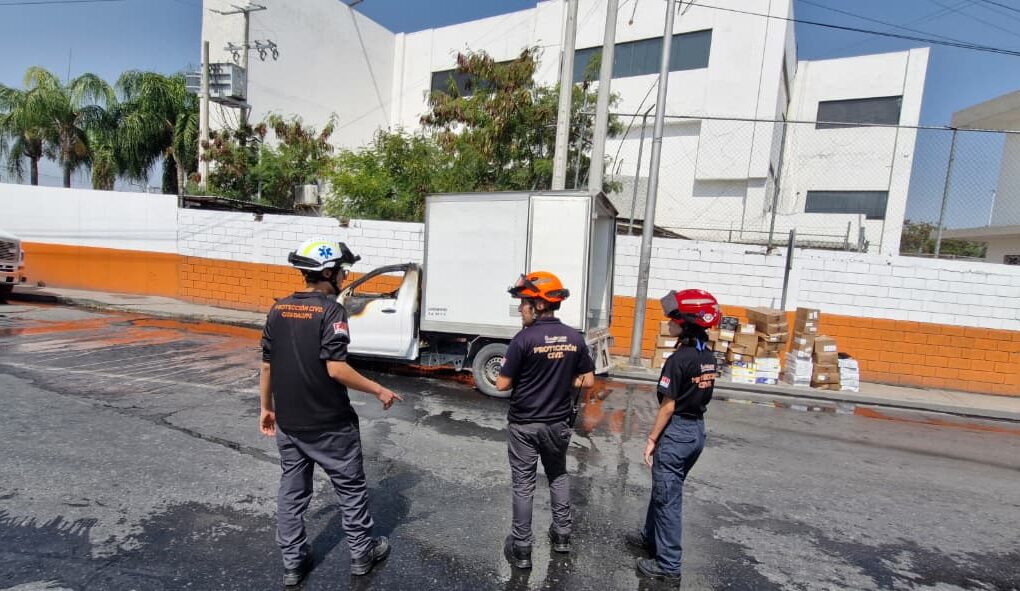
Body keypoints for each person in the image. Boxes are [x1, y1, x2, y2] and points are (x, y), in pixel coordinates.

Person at [259, 238, 402, 587]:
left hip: (290, 423)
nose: (343, 276)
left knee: (292, 493)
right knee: (350, 489)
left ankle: (293, 563)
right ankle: (361, 554)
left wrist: (266, 408)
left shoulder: (278, 309)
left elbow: (266, 367)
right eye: (341, 270)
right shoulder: (331, 310)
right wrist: (379, 389)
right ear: (327, 272)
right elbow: (336, 369)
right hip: (330, 424)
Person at [496, 271, 596, 569]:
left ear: (538, 305)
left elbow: (501, 385)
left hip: (525, 425)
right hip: (558, 424)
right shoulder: (574, 337)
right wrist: (562, 381)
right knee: (558, 475)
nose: (520, 308)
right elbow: (587, 381)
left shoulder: (523, 339)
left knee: (524, 485)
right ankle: (562, 535)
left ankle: (523, 548)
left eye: (524, 303)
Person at [630, 289, 720, 582]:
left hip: (677, 431)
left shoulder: (678, 360)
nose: (668, 322)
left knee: (668, 498)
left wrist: (652, 439)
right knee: (665, 488)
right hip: (696, 433)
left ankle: (668, 566)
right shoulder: (707, 356)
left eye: (673, 318)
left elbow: (668, 406)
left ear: (685, 323)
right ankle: (649, 538)